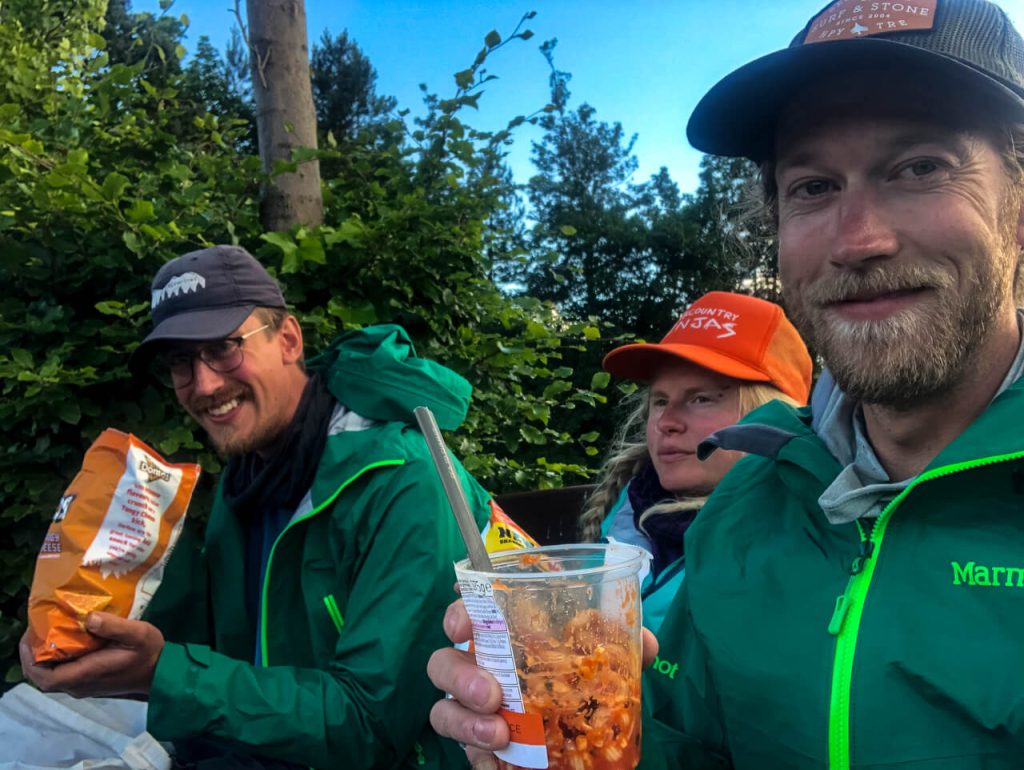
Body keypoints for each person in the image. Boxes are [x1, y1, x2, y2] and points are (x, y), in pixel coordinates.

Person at [426, 0, 1024, 767]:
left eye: (920, 167)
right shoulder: (742, 515)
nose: (858, 239)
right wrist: (558, 745)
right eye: (812, 186)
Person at [19, 244, 491, 769]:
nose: (204, 385)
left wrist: (164, 675)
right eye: (180, 362)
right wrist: (98, 641)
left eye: (224, 348)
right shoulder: (245, 478)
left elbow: (369, 725)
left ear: (288, 340)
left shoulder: (402, 480)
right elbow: (228, 658)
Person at [578, 291, 811, 633]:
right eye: (659, 401)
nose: (666, 422)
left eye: (701, 399)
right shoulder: (629, 506)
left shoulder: (806, 542)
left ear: (772, 418)